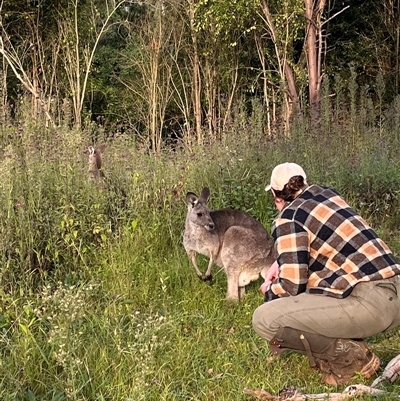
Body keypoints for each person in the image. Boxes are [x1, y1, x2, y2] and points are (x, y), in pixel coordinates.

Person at [252, 162, 400, 385]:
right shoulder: (328, 195)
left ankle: (350, 358)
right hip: (394, 287)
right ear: (304, 182)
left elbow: (292, 287)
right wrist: (280, 263)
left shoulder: (288, 218)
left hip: (374, 304)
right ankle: (349, 347)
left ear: (275, 195)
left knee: (265, 318)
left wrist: (270, 290)